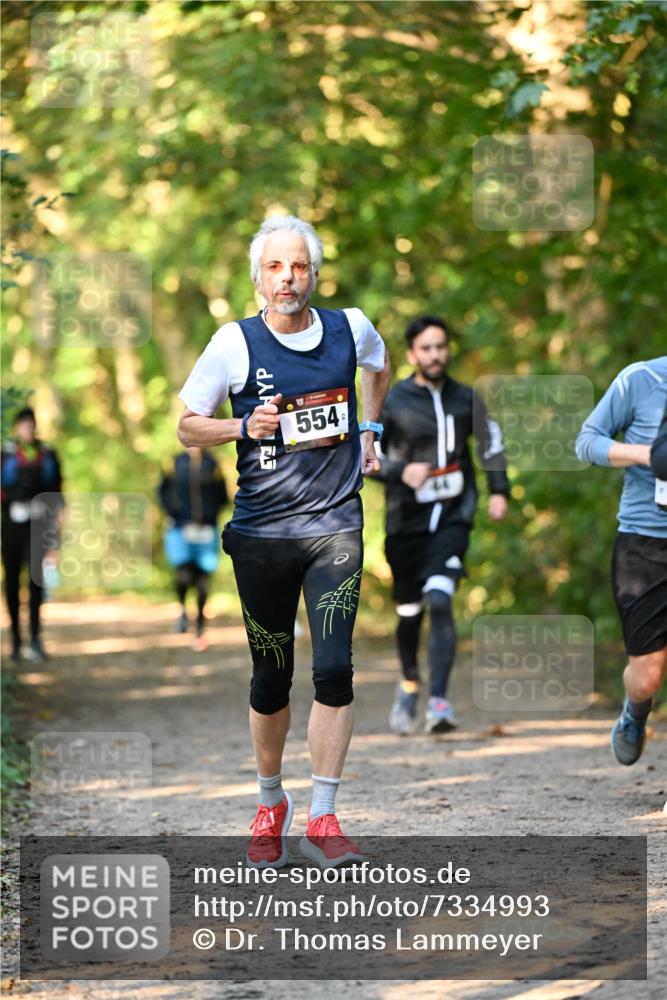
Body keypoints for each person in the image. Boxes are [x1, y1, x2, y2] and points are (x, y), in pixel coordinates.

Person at [177, 215, 390, 868]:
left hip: (334, 528)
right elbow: (186, 426)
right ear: (257, 278)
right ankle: (271, 802)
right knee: (271, 677)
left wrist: (369, 430)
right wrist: (242, 424)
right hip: (262, 534)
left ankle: (322, 815)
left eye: (298, 266)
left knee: (333, 669)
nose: (287, 278)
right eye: (274, 267)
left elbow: (379, 366)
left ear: (314, 274)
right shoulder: (233, 343)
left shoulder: (349, 329)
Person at [375, 316, 509, 735]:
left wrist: (499, 489)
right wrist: (400, 471)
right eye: (426, 348)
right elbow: (366, 457)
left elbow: (491, 444)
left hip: (453, 516)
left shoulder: (467, 397)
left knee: (440, 598)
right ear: (413, 354)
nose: (436, 355)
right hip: (405, 524)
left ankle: (439, 703)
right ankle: (410, 683)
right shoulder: (393, 401)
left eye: (441, 347)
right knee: (410, 611)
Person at [575, 358, 667, 767]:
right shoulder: (641, 380)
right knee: (647, 677)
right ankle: (635, 710)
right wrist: (647, 454)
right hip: (644, 544)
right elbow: (587, 441)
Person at [1, 406, 63, 663]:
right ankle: (16, 639)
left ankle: (36, 638)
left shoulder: (47, 455)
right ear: (17, 427)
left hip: (39, 523)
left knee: (36, 581)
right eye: (23, 424)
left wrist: (56, 535)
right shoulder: (6, 455)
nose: (27, 428)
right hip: (11, 524)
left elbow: (57, 493)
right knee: (12, 582)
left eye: (31, 424)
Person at [158, 447, 228, 651]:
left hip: (206, 530)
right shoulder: (173, 462)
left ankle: (200, 629)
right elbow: (162, 491)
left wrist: (211, 515)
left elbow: (223, 495)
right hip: (180, 529)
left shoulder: (213, 464)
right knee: (183, 576)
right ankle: (182, 611)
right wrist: (173, 512)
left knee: (203, 581)